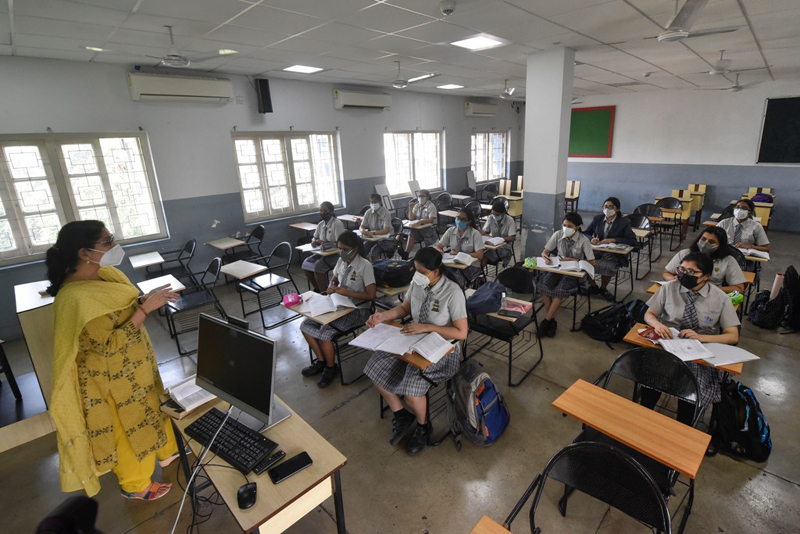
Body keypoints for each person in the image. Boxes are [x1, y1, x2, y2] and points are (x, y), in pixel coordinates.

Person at [46, 221, 183, 500]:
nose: (114, 246)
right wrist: (145, 309)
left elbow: (125, 307)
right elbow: (107, 346)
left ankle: (166, 452)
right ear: (85, 252)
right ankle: (135, 486)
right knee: (128, 429)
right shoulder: (74, 297)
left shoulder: (106, 275)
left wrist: (146, 300)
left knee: (155, 406)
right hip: (110, 380)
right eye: (107, 241)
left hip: (136, 367)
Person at [364, 247, 468, 456]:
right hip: (413, 337)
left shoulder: (452, 292)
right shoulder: (418, 283)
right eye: (416, 270)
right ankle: (401, 414)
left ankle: (423, 426)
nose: (417, 275)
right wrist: (383, 317)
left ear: (436, 270)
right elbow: (404, 309)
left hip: (443, 347)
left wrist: (428, 327)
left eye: (422, 271)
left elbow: (462, 332)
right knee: (374, 367)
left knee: (412, 392)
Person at [642, 252, 740, 423]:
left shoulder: (720, 298)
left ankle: (683, 427)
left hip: (699, 353)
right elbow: (649, 313)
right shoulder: (669, 288)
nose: (683, 274)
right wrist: (657, 324)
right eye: (681, 269)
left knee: (691, 389)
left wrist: (701, 337)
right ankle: (642, 417)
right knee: (652, 378)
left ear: (706, 277)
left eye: (692, 272)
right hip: (669, 345)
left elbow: (733, 336)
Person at [300, 230, 376, 388]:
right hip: (338, 303)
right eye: (339, 247)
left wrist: (347, 292)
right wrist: (331, 285)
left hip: (358, 309)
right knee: (306, 325)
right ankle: (321, 361)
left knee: (326, 332)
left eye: (344, 248)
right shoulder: (342, 260)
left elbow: (371, 295)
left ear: (354, 248)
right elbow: (335, 277)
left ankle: (331, 367)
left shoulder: (365, 265)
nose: (341, 251)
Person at [538, 212, 596, 338]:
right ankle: (551, 321)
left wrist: (576, 261)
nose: (566, 228)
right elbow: (545, 251)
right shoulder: (558, 234)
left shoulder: (584, 240)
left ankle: (546, 322)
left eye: (570, 226)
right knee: (544, 285)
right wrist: (546, 257)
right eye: (564, 225)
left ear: (577, 227)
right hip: (558, 268)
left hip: (573, 272)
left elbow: (592, 262)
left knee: (560, 290)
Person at [583, 196, 637, 301]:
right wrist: (592, 239)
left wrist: (614, 240)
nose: (607, 209)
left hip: (613, 253)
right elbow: (586, 233)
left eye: (611, 207)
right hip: (598, 249)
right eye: (605, 206)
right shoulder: (597, 219)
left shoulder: (623, 222)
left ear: (617, 209)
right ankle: (593, 285)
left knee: (608, 264)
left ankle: (603, 288)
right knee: (584, 261)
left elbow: (632, 240)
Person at [663, 226, 745, 294]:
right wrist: (674, 280)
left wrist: (712, 289)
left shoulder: (728, 260)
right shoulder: (685, 253)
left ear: (720, 246)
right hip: (681, 291)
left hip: (711, 295)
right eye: (703, 239)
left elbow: (739, 288)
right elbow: (666, 273)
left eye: (711, 242)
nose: (705, 243)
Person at [435, 207, 485, 288]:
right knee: (439, 275)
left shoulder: (475, 234)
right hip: (453, 263)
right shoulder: (451, 230)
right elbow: (438, 246)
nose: (459, 221)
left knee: (455, 281)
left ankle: (457, 295)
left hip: (471, 266)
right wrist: (439, 251)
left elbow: (480, 255)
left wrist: (459, 253)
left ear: (469, 222)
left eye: (463, 219)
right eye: (458, 218)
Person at [302, 201, 345, 292]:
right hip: (322, 253)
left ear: (331, 212)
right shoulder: (321, 224)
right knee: (306, 264)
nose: (322, 213)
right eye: (320, 211)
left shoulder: (337, 224)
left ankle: (324, 292)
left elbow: (341, 243)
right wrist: (314, 241)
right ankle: (317, 288)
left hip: (336, 255)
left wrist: (324, 243)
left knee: (318, 267)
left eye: (325, 211)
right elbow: (314, 237)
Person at [400, 189, 438, 259]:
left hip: (428, 229)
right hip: (418, 229)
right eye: (419, 196)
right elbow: (411, 218)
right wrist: (410, 208)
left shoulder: (431, 206)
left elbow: (431, 220)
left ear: (427, 197)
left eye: (422, 196)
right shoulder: (417, 205)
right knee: (403, 230)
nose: (420, 197)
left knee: (412, 232)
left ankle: (406, 253)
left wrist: (421, 221)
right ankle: (402, 250)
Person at [359, 193, 397, 262]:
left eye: (375, 202)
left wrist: (372, 233)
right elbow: (362, 226)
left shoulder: (386, 213)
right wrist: (362, 230)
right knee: (362, 250)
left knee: (374, 252)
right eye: (371, 202)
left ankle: (376, 268)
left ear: (380, 202)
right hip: (373, 238)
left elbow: (385, 230)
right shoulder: (368, 212)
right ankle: (369, 266)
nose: (373, 204)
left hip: (386, 239)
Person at [480, 200, 516, 268]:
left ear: (504, 213)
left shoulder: (510, 220)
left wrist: (500, 239)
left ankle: (478, 274)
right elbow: (485, 232)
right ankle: (477, 273)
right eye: (493, 214)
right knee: (478, 252)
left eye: (497, 215)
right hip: (491, 246)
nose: (495, 216)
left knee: (484, 255)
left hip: (505, 248)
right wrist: (481, 232)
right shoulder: (491, 218)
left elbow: (512, 238)